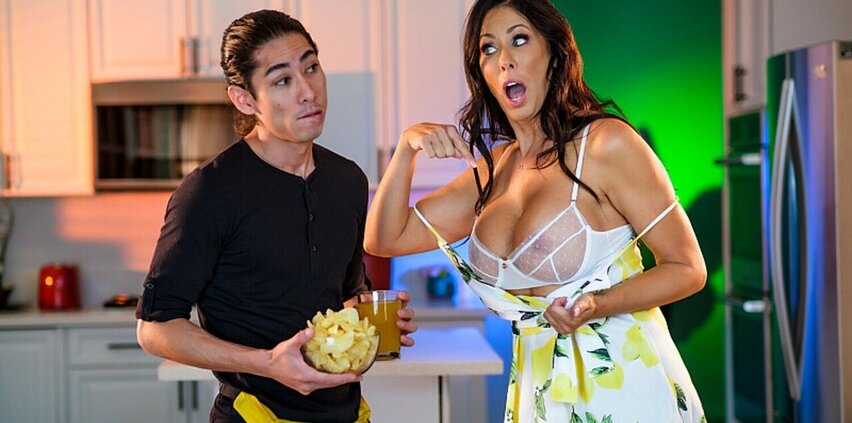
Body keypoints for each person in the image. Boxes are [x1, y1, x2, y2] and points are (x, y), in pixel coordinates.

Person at [364, 0, 706, 421]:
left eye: (520, 40)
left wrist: (597, 303)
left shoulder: (605, 144)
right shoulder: (492, 172)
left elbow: (687, 268)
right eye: (489, 49)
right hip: (538, 396)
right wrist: (405, 149)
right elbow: (384, 238)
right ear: (482, 74)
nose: (504, 60)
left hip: (625, 389)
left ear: (554, 54)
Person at [135, 10, 416, 423]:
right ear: (245, 99)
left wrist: (369, 321)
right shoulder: (210, 192)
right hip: (254, 413)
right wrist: (266, 362)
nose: (308, 91)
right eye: (282, 80)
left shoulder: (347, 180)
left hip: (347, 413)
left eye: (311, 68)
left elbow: (342, 296)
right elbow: (155, 328)